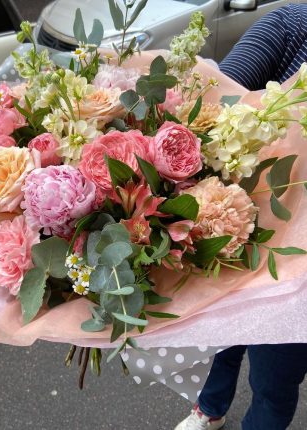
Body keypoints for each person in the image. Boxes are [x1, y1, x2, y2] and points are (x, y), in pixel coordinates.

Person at [175, 4, 307, 430]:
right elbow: (213, 102)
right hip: (239, 236)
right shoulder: (294, 25)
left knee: (274, 380)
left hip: (301, 282)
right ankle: (209, 409)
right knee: (220, 341)